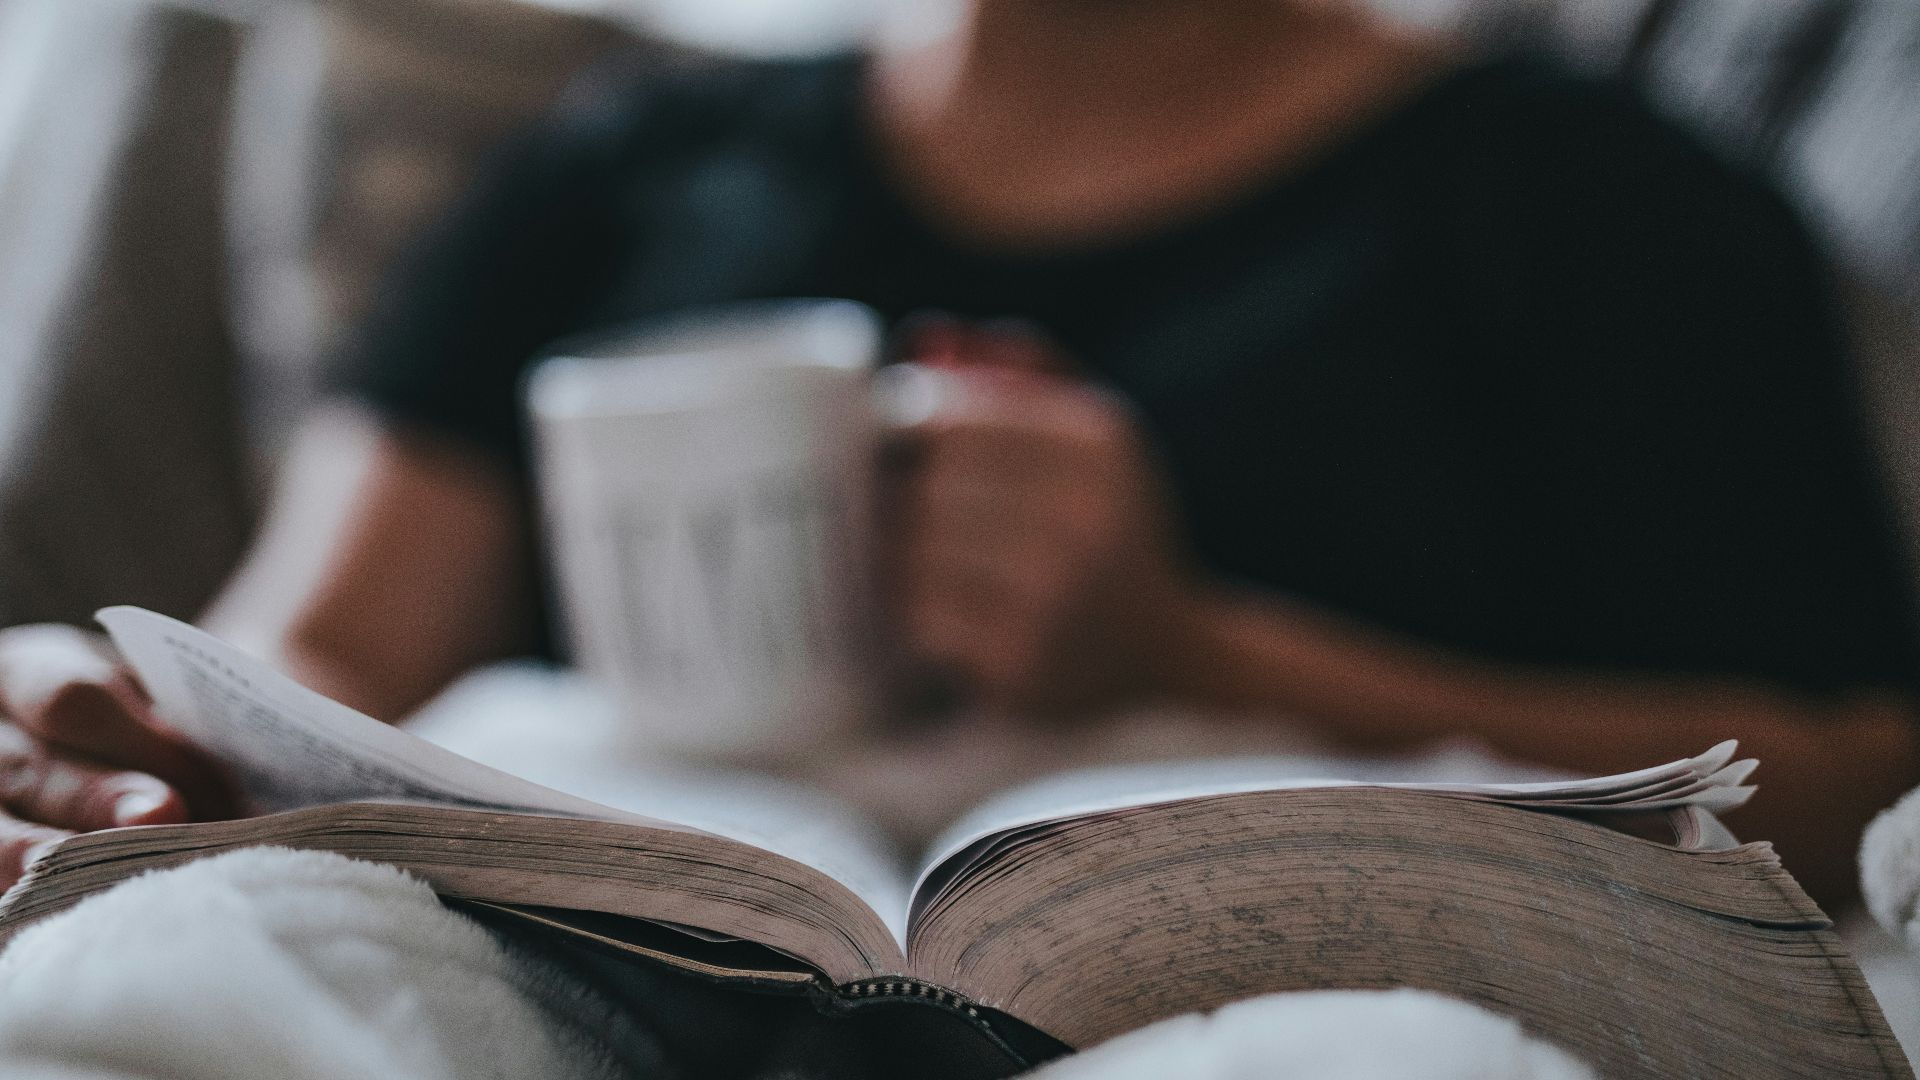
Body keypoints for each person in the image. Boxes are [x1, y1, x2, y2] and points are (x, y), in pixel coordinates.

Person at [0, 0, 1913, 907]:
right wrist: (95, 721)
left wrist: (1193, 652)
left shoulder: (1598, 202)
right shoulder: (618, 166)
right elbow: (311, 645)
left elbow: (1859, 785)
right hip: (615, 949)